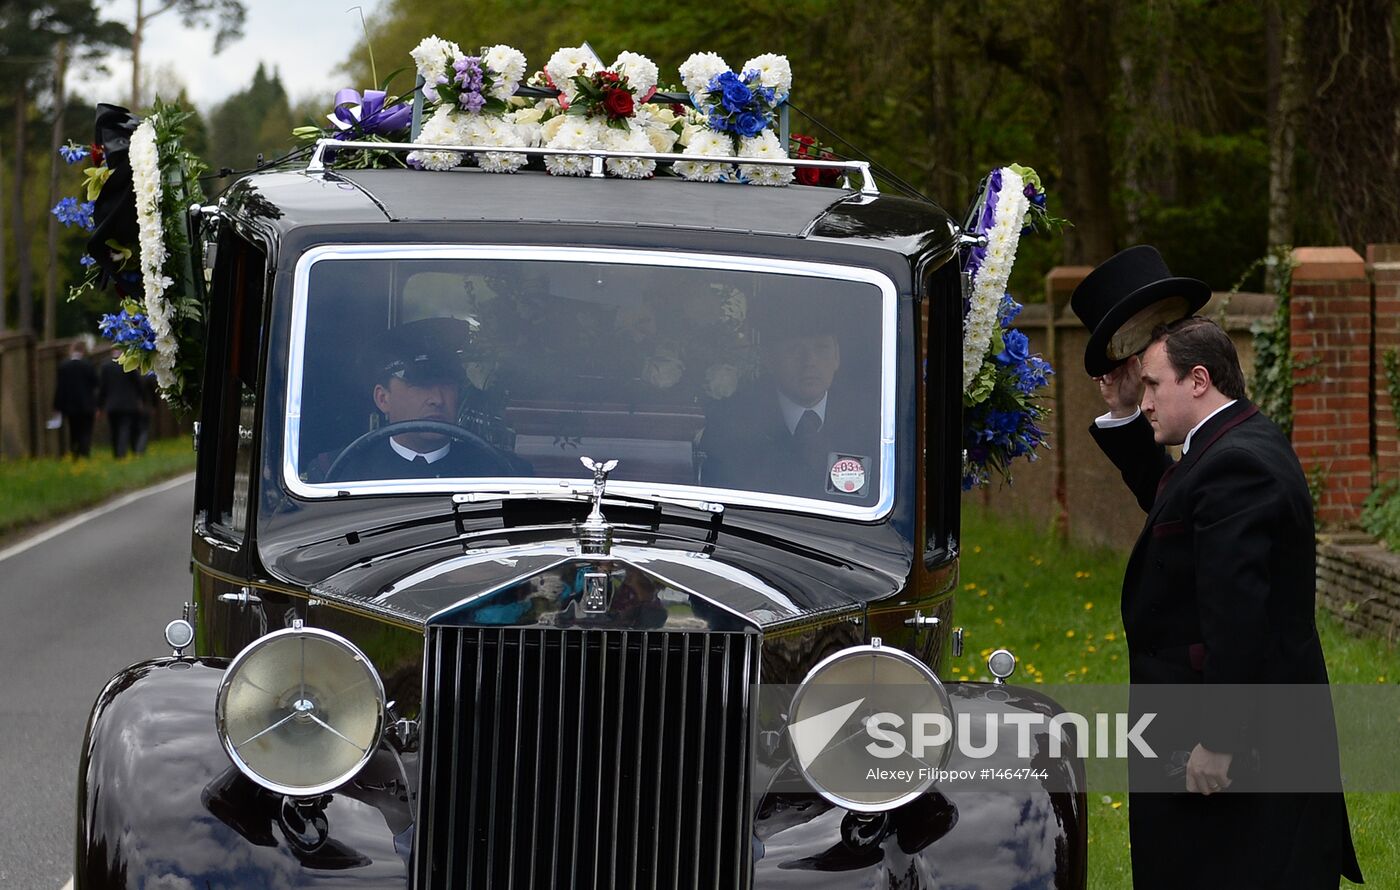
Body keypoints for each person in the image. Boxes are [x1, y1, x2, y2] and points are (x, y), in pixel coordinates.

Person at [1090, 316, 1362, 889]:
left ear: (1198, 379)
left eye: (1153, 386)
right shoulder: (1226, 445)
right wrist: (1120, 409)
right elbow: (1172, 505)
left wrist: (1218, 739)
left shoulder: (1237, 465)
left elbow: (1237, 616)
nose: (1146, 404)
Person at [701, 313, 876, 499]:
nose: (810, 362)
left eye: (822, 348)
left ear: (836, 357)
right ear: (770, 359)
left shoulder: (870, 421)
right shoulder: (731, 421)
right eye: (794, 350)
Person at [330, 320, 517, 482]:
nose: (437, 399)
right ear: (383, 398)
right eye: (420, 385)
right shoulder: (340, 473)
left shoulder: (499, 471)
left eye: (447, 385)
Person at [53, 339, 98, 458]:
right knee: (86, 431)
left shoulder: (64, 366)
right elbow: (95, 384)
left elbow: (60, 388)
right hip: (87, 405)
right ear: (83, 351)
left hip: (70, 406)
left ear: (71, 350)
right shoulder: (88, 365)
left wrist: (57, 406)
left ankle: (75, 453)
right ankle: (85, 452)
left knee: (74, 430)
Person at [98, 350, 145, 458]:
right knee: (125, 429)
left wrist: (100, 406)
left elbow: (102, 388)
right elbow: (139, 384)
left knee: (114, 430)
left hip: (112, 405)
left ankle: (117, 454)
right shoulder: (128, 364)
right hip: (128, 404)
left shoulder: (106, 366)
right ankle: (121, 453)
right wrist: (140, 399)